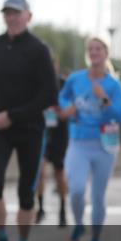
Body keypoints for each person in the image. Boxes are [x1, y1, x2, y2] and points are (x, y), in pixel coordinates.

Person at [0, 0, 58, 241]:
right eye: (7, 13)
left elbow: (49, 94)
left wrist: (14, 115)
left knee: (26, 193)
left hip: (30, 129)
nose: (11, 18)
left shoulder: (38, 50)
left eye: (16, 13)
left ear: (28, 16)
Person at [58, 37, 121, 241]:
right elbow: (63, 96)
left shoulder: (114, 85)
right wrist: (67, 108)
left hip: (104, 146)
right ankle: (78, 225)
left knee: (98, 196)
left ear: (106, 53)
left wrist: (104, 99)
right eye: (91, 49)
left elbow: (120, 114)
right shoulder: (76, 79)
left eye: (98, 49)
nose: (94, 52)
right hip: (78, 143)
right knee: (76, 190)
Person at [37, 55, 69, 226]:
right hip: (42, 131)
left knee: (59, 172)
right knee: (39, 171)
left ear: (56, 65)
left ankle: (63, 209)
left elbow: (73, 105)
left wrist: (61, 109)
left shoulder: (64, 83)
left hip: (59, 132)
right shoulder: (36, 82)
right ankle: (40, 208)